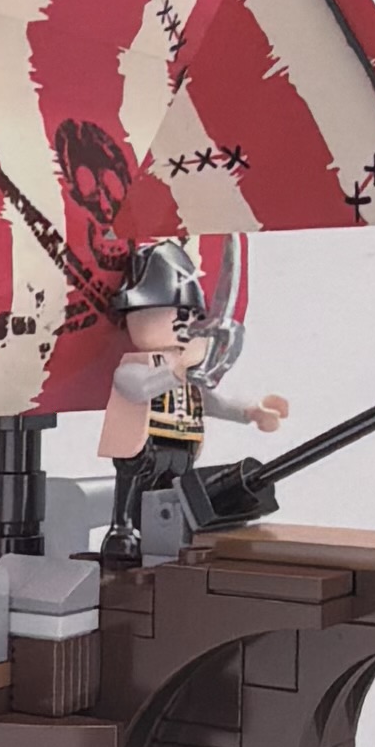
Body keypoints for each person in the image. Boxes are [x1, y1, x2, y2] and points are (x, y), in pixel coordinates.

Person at [97, 238, 285, 555]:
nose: (185, 327)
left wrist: (251, 411)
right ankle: (123, 529)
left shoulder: (186, 370)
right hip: (144, 446)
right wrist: (178, 369)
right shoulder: (137, 366)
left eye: (190, 318)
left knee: (177, 494)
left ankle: (173, 535)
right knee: (134, 488)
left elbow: (210, 400)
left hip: (182, 445)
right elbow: (137, 389)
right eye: (175, 316)